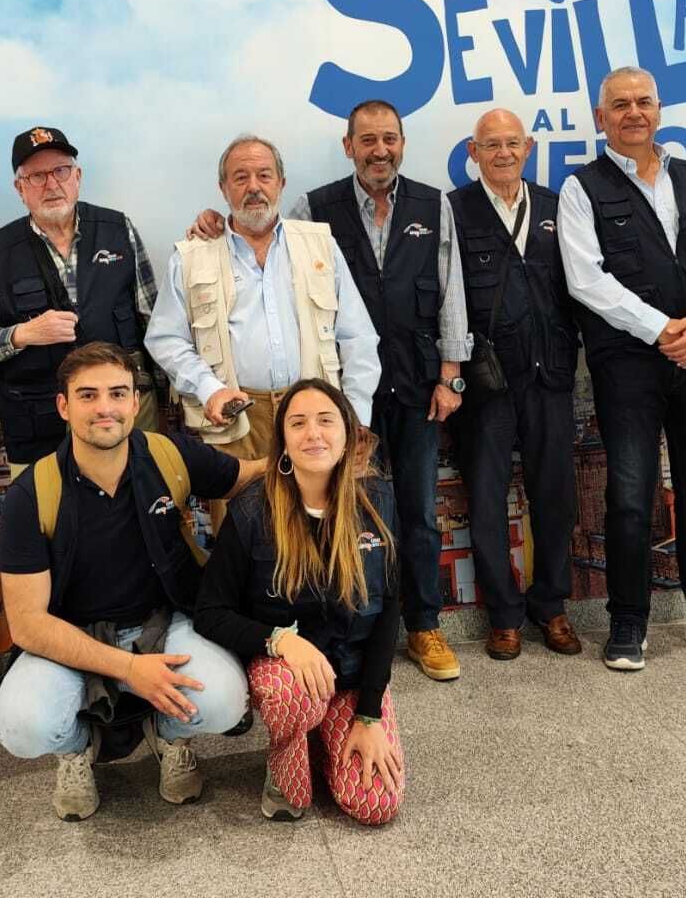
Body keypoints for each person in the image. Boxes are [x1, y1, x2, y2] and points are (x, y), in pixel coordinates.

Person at [186, 101, 471, 682]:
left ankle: (422, 626)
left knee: (415, 511)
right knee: (326, 516)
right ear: (348, 146)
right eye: (367, 139)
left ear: (403, 143)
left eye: (389, 138)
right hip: (331, 405)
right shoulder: (312, 210)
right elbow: (257, 231)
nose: (379, 149)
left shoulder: (431, 204)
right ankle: (326, 639)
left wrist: (450, 373)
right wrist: (213, 224)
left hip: (409, 387)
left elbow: (452, 293)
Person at [0, 343, 263, 820]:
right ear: (64, 406)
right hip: (72, 635)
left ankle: (170, 736)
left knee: (224, 700)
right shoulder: (31, 494)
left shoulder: (167, 456)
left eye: (117, 393)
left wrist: (314, 457)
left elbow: (244, 476)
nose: (105, 408)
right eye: (88, 395)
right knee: (22, 727)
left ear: (135, 404)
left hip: (164, 623)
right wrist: (128, 668)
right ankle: (78, 748)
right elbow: (29, 627)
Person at [559, 66, 686, 671]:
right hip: (627, 364)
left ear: (659, 109)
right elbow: (585, 277)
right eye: (619, 104)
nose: (633, 113)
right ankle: (628, 622)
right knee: (629, 495)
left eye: (643, 102)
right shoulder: (582, 189)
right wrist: (661, 330)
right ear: (601, 118)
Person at [195, 379, 405, 825]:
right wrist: (279, 641)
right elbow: (210, 613)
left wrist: (369, 715)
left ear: (348, 433)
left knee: (376, 805)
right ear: (284, 443)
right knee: (295, 769)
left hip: (350, 676)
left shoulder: (378, 501)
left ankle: (327, 734)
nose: (313, 433)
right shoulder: (251, 512)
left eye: (326, 421)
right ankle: (289, 747)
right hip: (286, 675)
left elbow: (388, 612)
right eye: (298, 423)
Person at [146, 135, 381, 524]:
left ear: (281, 183)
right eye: (240, 177)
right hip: (236, 422)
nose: (254, 187)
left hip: (315, 417)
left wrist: (355, 415)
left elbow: (358, 336)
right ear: (224, 189)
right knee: (240, 533)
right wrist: (210, 389)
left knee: (323, 528)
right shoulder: (192, 255)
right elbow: (165, 338)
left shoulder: (319, 245)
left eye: (264, 175)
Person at [448, 108, 583, 661]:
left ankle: (551, 606)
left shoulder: (557, 207)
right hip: (487, 382)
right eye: (490, 144)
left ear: (527, 148)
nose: (503, 153)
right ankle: (502, 614)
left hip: (550, 375)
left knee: (556, 497)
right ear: (472, 152)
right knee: (484, 500)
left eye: (512, 143)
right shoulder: (451, 210)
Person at [0, 126, 160, 471]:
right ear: (19, 188)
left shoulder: (118, 229)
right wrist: (22, 334)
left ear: (77, 176)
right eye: (36, 176)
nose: (51, 184)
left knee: (137, 507)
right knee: (47, 518)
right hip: (38, 423)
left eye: (61, 171)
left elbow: (154, 322)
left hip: (120, 414)